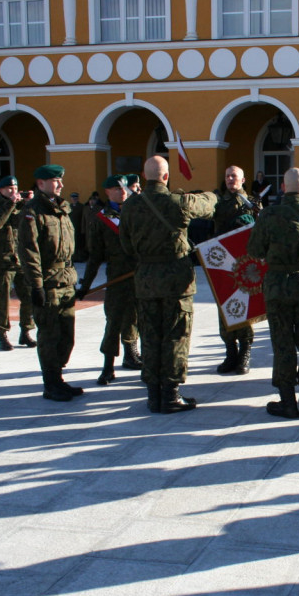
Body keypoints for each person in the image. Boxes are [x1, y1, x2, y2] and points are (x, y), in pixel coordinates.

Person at [119, 156, 216, 413]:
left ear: (143, 176)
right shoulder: (178, 202)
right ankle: (171, 395)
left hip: (146, 279)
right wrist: (213, 195)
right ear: (166, 176)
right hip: (176, 282)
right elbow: (207, 205)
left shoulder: (130, 206)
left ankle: (153, 395)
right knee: (175, 336)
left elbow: (126, 245)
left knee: (150, 336)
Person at [248, 167, 299, 419]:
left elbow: (255, 250)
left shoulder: (269, 215)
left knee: (282, 343)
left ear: (282, 188)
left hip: (277, 286)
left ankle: (286, 401)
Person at [18, 165, 81, 402]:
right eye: (56, 180)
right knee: (50, 335)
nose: (61, 185)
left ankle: (58, 377)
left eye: (61, 181)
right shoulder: (33, 212)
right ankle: (51, 382)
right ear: (41, 183)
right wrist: (36, 286)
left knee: (67, 335)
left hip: (65, 280)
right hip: (47, 282)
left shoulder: (62, 210)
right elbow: (28, 251)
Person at [77, 175, 142, 385]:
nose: (122, 191)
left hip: (141, 276)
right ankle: (107, 367)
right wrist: (85, 286)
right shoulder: (100, 218)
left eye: (124, 186)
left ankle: (137, 359)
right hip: (117, 279)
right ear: (107, 192)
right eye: (116, 188)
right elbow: (95, 256)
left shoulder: (138, 211)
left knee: (142, 320)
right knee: (113, 322)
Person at [213, 165, 258, 375]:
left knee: (244, 307)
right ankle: (230, 352)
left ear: (242, 179)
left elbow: (259, 230)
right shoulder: (218, 202)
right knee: (225, 308)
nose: (230, 179)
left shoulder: (252, 203)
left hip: (244, 262)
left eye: (234, 176)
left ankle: (245, 353)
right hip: (222, 262)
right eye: (227, 176)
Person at [0, 175, 36, 351]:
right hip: (3, 261)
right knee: (3, 299)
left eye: (15, 188)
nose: (13, 192)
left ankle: (26, 331)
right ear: (1, 190)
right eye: (9, 189)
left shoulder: (21, 205)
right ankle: (2, 334)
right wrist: (11, 203)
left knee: (29, 296)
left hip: (20, 259)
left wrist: (30, 202)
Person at [68, 191, 88, 262]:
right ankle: (73, 257)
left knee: (80, 243)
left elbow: (84, 217)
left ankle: (80, 257)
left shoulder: (81, 207)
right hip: (71, 227)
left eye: (75, 197)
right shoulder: (68, 207)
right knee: (72, 243)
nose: (74, 199)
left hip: (79, 227)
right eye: (73, 197)